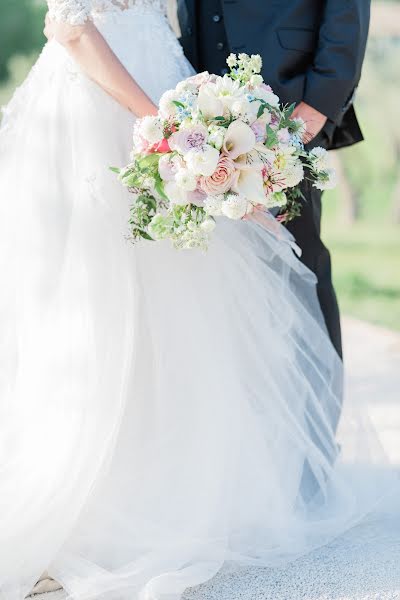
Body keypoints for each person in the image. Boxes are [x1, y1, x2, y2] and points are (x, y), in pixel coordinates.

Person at [0, 2, 395, 600]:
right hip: (119, 108)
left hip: (199, 99)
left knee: (250, 288)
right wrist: (162, 129)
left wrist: (285, 114)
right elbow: (71, 24)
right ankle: (104, 496)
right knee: (103, 298)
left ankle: (286, 466)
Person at [177, 0, 371, 362]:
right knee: (214, 279)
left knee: (296, 266)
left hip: (287, 104)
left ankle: (314, 412)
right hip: (195, 113)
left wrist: (321, 100)